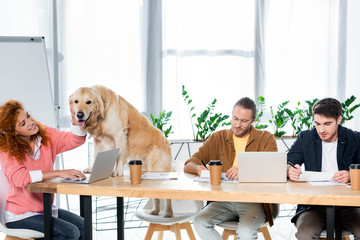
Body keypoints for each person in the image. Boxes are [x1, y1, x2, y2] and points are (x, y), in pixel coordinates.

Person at [184, 97, 278, 240]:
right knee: (199, 222)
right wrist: (198, 169)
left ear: (253, 120)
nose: (237, 124)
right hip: (223, 201)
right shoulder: (217, 138)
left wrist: (245, 171)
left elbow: (273, 169)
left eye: (244, 121)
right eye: (235, 119)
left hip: (253, 201)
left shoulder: (266, 138)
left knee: (246, 232)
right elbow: (189, 163)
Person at [0, 99, 88, 240]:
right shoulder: (7, 149)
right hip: (21, 215)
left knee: (84, 225)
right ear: (13, 132)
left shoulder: (45, 135)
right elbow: (21, 178)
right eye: (23, 123)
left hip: (44, 209)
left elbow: (75, 139)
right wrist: (59, 172)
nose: (30, 122)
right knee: (70, 232)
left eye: (28, 116)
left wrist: (76, 121)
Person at [287, 97, 360, 240]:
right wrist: (289, 170)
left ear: (338, 120)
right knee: (305, 233)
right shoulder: (306, 138)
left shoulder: (354, 138)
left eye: (327, 124)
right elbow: (288, 162)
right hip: (314, 206)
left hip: (349, 206)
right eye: (317, 123)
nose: (321, 130)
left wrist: (351, 175)